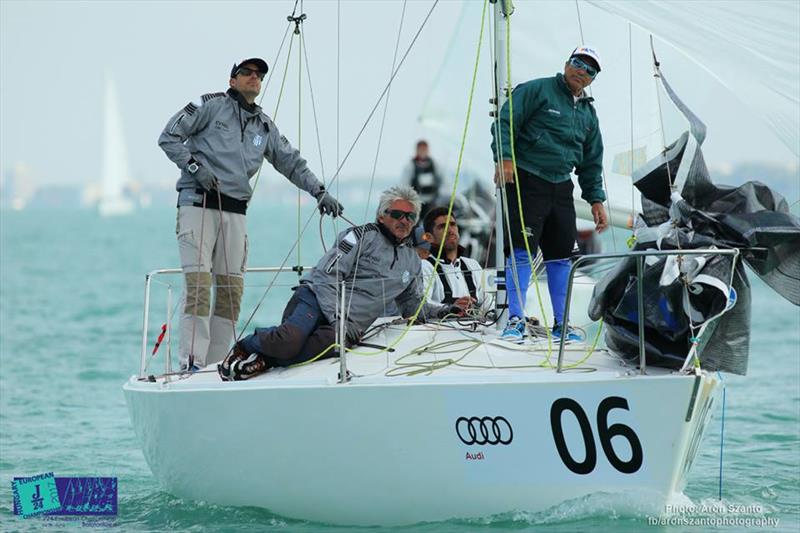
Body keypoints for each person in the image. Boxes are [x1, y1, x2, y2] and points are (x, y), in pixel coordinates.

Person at [158, 57, 343, 371]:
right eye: (246, 73)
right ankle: (191, 362)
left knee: (231, 292)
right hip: (199, 205)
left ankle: (215, 365)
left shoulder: (265, 126)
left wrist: (319, 191)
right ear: (233, 80)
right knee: (200, 287)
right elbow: (168, 137)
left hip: (236, 212)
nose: (253, 78)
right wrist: (196, 168)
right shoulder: (208, 106)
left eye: (258, 75)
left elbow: (291, 163)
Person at [218, 186, 473, 381]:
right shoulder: (360, 237)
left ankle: (264, 360)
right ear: (382, 216)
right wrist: (337, 317)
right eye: (397, 214)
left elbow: (412, 306)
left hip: (345, 328)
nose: (404, 220)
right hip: (315, 300)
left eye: (410, 216)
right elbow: (328, 275)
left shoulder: (411, 261)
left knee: (333, 346)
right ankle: (246, 345)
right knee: (292, 338)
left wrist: (446, 310)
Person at [490, 46, 609, 343]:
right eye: (578, 63)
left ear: (593, 79)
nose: (582, 71)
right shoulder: (538, 90)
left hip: (561, 186)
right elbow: (505, 121)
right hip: (528, 179)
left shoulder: (588, 114)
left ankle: (561, 324)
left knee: (561, 256)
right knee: (521, 250)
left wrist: (596, 200)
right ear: (567, 63)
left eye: (590, 70)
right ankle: (515, 319)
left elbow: (591, 160)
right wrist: (504, 158)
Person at [420, 206, 487, 310]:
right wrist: (451, 308)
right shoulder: (425, 267)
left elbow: (489, 302)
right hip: (440, 326)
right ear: (429, 237)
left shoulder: (472, 265)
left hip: (479, 325)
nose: (450, 230)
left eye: (453, 224)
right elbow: (422, 306)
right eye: (442, 226)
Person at [403, 140, 443, 217]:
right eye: (421, 150)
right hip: (417, 201)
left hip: (433, 201)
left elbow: (443, 182)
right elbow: (405, 184)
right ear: (417, 150)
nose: (423, 152)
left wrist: (439, 197)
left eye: (424, 149)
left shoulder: (435, 164)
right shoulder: (410, 166)